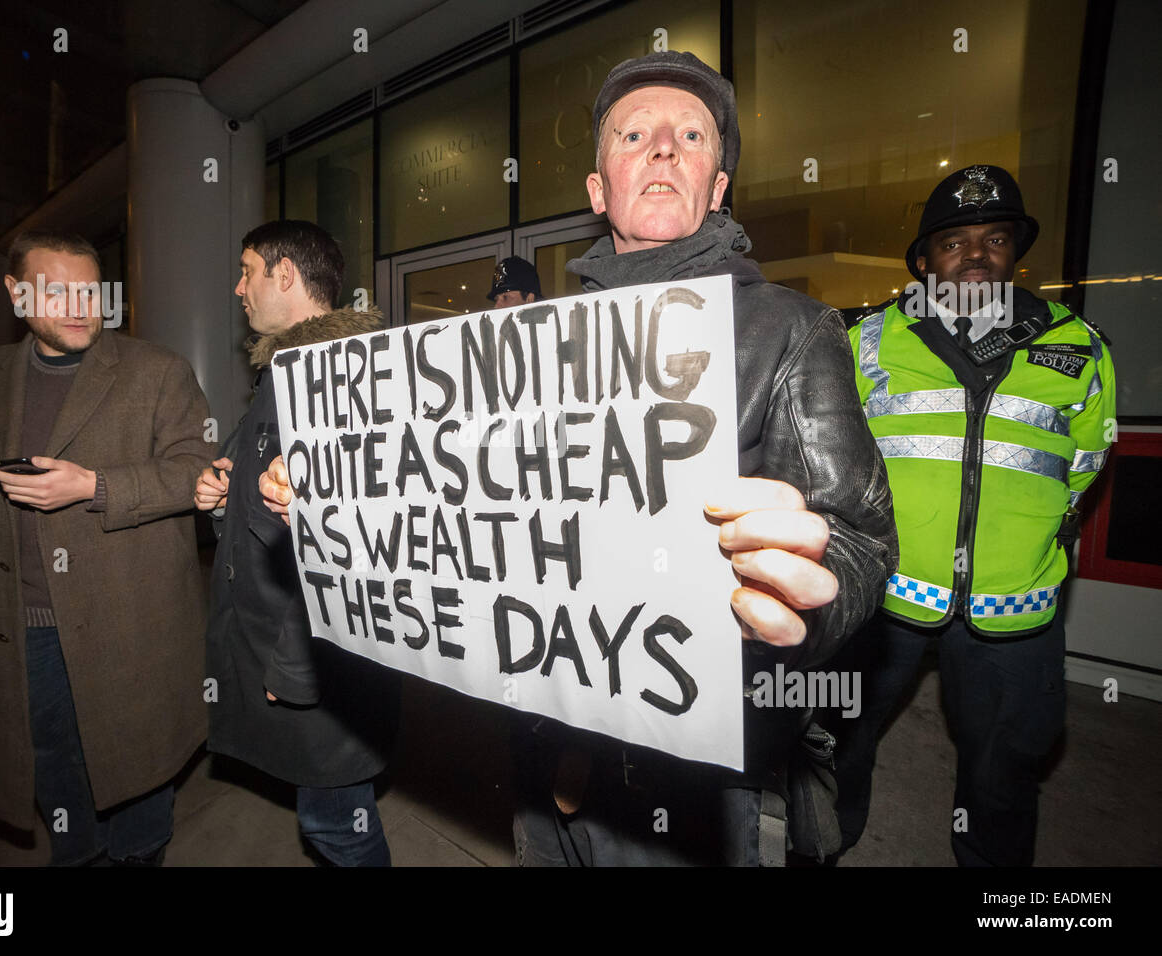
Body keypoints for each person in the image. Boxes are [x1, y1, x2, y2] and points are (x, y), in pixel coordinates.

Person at [261, 52, 898, 866]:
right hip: (546, 742)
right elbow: (458, 491)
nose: (664, 147)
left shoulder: (792, 329)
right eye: (636, 134)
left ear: (718, 183)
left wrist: (805, 602)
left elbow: (858, 537)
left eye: (690, 135)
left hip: (701, 776)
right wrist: (331, 494)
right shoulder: (529, 350)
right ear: (600, 190)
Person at [0, 230, 212, 866]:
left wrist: (93, 487)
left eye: (90, 292)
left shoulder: (157, 371)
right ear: (16, 295)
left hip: (129, 622)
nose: (78, 306)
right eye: (56, 291)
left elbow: (197, 472)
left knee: (137, 768)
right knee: (53, 764)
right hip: (26, 624)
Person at [832, 165, 1116, 867]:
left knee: (1005, 767)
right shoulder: (866, 341)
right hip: (883, 593)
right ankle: (827, 842)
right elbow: (834, 455)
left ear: (1015, 251)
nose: (977, 255)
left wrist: (1025, 533)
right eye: (953, 242)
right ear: (924, 261)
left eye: (994, 238)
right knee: (838, 735)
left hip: (1013, 600)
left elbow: (1084, 465)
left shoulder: (1080, 346)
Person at [196, 219, 399, 866]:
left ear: (285, 275)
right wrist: (221, 495)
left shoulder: (336, 380)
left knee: (337, 824)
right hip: (295, 647)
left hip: (321, 654)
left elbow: (354, 540)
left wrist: (295, 667)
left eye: (247, 269)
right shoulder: (287, 372)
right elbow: (269, 503)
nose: (238, 287)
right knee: (332, 816)